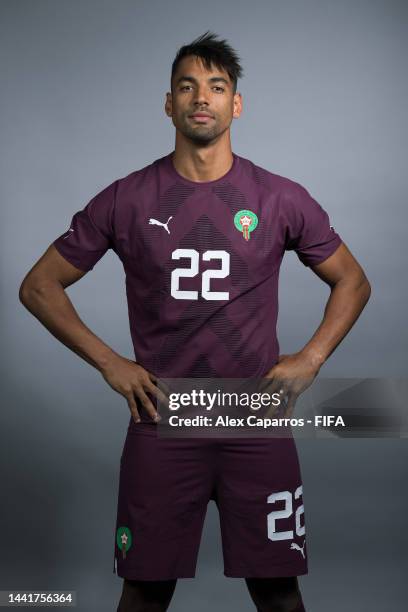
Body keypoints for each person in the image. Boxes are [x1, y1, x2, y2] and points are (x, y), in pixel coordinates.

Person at [19, 31, 371, 612]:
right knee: (145, 590)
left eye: (216, 86)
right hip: (163, 418)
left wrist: (311, 359)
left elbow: (353, 280)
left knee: (279, 591)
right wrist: (110, 362)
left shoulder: (279, 197)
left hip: (253, 418)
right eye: (187, 86)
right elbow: (38, 286)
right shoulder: (126, 199)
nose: (200, 97)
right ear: (169, 103)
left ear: (236, 104)